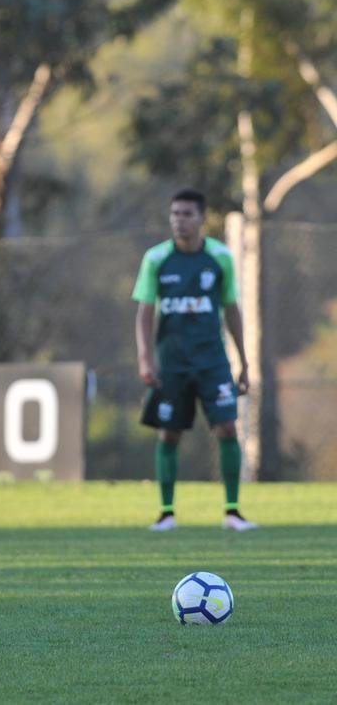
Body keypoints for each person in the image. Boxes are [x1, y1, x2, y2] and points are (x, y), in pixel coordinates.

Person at [133, 187, 257, 532]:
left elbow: (231, 309)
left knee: (227, 427)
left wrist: (244, 362)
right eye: (175, 214)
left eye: (187, 214)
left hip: (212, 361)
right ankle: (166, 513)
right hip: (171, 362)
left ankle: (232, 511)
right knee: (169, 434)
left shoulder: (220, 258)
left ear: (202, 219)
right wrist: (145, 358)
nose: (180, 220)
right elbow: (144, 312)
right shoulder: (156, 259)